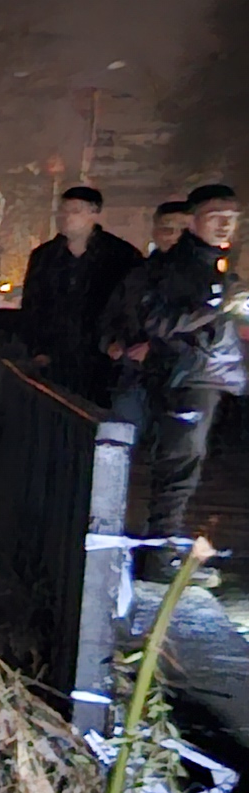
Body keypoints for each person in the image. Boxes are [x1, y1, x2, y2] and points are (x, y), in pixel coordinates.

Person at [102, 182, 244, 565]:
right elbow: (159, 321)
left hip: (203, 376)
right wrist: (218, 307)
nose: (225, 225)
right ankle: (160, 557)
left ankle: (163, 551)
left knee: (184, 468)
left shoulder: (214, 261)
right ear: (194, 220)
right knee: (176, 469)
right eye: (216, 217)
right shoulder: (179, 266)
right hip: (187, 378)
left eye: (232, 218)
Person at [17, 184, 140, 399]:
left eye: (75, 211)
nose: (66, 217)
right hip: (54, 356)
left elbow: (131, 305)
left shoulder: (121, 256)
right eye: (63, 211)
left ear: (94, 213)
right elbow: (33, 305)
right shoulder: (45, 256)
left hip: (101, 358)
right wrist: (38, 348)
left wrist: (118, 341)